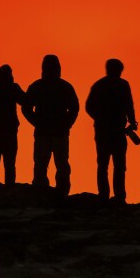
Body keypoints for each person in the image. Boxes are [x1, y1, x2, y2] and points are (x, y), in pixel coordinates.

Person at [23, 54, 80, 195]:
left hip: (50, 132)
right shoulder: (64, 86)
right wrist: (67, 124)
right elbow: (74, 108)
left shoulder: (38, 86)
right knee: (55, 165)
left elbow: (26, 108)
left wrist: (37, 122)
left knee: (49, 165)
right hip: (53, 132)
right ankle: (58, 193)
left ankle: (45, 192)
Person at [85, 58, 138, 202]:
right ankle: (119, 196)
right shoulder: (123, 85)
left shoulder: (99, 85)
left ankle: (104, 195)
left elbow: (89, 107)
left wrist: (99, 118)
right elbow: (129, 105)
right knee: (118, 165)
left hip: (104, 130)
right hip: (117, 130)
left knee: (104, 164)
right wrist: (132, 121)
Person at [0, 64, 27, 194]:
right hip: (9, 131)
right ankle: (9, 190)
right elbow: (25, 100)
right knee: (9, 164)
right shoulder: (12, 88)